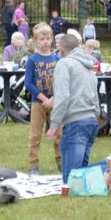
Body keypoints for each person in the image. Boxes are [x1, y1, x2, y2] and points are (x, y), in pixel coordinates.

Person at [45, 34, 101, 184]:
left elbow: (62, 97)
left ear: (61, 49)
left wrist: (54, 125)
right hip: (91, 122)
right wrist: (94, 116)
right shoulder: (88, 65)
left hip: (76, 123)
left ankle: (109, 169)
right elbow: (95, 95)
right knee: (81, 176)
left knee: (71, 180)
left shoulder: (64, 64)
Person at [25, 23, 62, 176]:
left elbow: (61, 82)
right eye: (42, 39)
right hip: (37, 102)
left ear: (52, 39)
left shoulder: (57, 59)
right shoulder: (32, 60)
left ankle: (61, 162)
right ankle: (33, 165)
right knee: (35, 135)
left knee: (59, 135)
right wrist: (43, 98)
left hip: (55, 102)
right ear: (35, 40)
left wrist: (52, 98)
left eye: (48, 38)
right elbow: (28, 83)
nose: (45, 42)